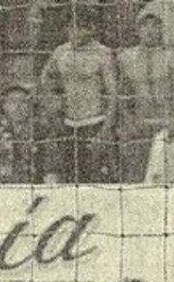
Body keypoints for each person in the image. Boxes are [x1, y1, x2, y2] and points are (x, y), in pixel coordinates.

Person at [39, 6, 117, 183]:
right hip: (67, 124)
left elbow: (113, 94)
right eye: (71, 26)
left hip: (94, 122)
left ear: (91, 29)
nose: (74, 32)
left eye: (80, 27)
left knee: (96, 180)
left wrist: (105, 129)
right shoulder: (60, 52)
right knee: (70, 179)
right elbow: (44, 80)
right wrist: (54, 108)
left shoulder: (102, 53)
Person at [115, 9, 174, 183]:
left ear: (162, 30)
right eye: (145, 26)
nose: (150, 31)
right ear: (138, 30)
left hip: (166, 123)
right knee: (135, 174)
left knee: (167, 177)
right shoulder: (126, 58)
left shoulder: (172, 57)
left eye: (155, 26)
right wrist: (128, 120)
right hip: (139, 123)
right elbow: (121, 94)